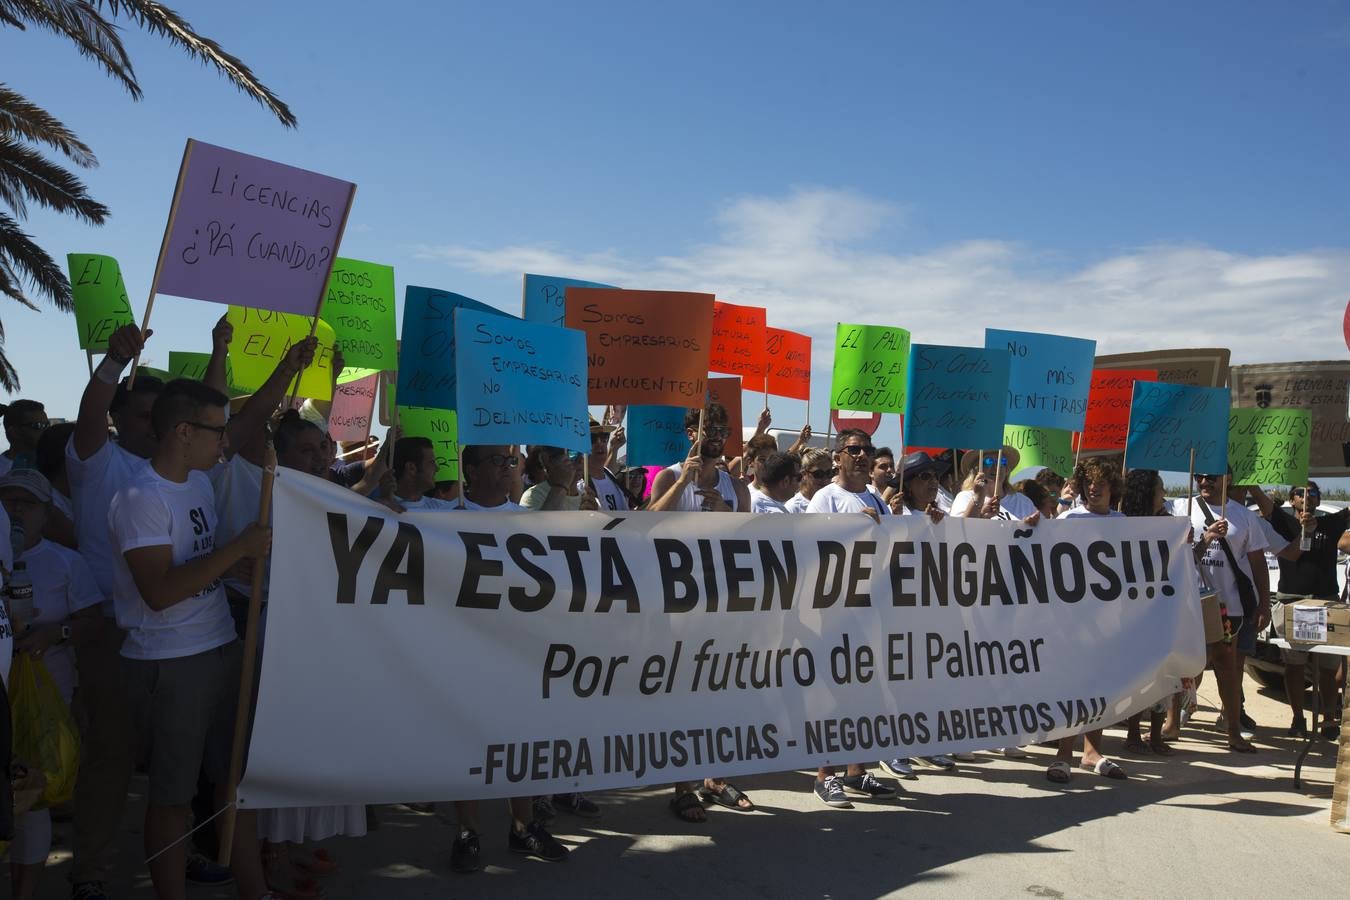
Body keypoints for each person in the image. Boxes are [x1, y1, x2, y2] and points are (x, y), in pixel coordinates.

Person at [108, 377, 276, 899]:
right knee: (173, 798)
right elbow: (158, 591)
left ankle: (256, 890)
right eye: (217, 432)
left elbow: (199, 565)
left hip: (219, 646)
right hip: (171, 662)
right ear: (183, 431)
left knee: (234, 785)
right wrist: (234, 552)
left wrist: (230, 567)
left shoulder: (199, 482)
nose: (225, 442)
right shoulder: (140, 496)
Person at [448, 444, 569, 871]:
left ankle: (524, 827)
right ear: (472, 470)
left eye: (510, 461)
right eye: (497, 462)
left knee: (523, 741)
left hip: (521, 651)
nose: (507, 468)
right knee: (468, 743)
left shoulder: (522, 519)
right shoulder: (446, 519)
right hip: (468, 654)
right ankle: (467, 832)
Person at [648, 404, 759, 820]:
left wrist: (728, 513)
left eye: (721, 428)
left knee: (723, 694)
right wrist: (683, 485)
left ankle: (716, 776)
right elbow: (644, 523)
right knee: (685, 696)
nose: (715, 435)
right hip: (679, 608)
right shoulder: (668, 475)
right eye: (707, 428)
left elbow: (758, 540)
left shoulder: (735, 486)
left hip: (725, 606)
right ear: (689, 431)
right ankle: (683, 786)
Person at [0, 469, 104, 900]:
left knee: (32, 799)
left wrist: (52, 634)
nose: (16, 509)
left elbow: (92, 622)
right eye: (8, 501)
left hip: (47, 699)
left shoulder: (65, 562)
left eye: (27, 502)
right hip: (2, 694)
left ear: (46, 512)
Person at [803, 429, 901, 806]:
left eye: (866, 450)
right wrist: (851, 527)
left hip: (869, 612)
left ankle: (856, 771)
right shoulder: (825, 497)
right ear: (838, 457)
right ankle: (824, 775)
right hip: (833, 614)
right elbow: (810, 545)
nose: (861, 456)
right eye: (853, 449)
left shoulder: (878, 500)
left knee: (866, 693)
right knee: (834, 695)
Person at [1045, 458, 1130, 782]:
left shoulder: (1124, 522)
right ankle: (1063, 754)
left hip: (1110, 620)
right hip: (1072, 620)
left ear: (1113, 488)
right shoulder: (1068, 519)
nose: (1094, 488)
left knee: (1101, 686)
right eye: (1089, 482)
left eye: (1102, 483)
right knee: (1073, 685)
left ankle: (1092, 752)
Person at [1252, 481, 1349, 737]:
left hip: (1324, 601)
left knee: (1327, 668)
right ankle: (1297, 719)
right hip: (1292, 601)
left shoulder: (1331, 523)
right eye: (1300, 493)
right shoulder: (1284, 522)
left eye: (1313, 494)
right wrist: (1249, 483)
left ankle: (1329, 719)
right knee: (1294, 665)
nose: (1306, 497)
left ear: (1318, 500)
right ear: (1291, 499)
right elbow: (1263, 502)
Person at [1181, 469, 1267, 752]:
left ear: (1228, 478)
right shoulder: (1183, 507)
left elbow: (1257, 563)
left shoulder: (1244, 516)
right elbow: (1176, 556)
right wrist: (1204, 539)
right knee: (1183, 667)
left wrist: (1264, 603)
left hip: (1229, 607)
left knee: (1228, 669)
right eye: (1200, 476)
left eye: (1212, 476)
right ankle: (1173, 722)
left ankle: (1232, 729)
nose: (1204, 481)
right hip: (1189, 605)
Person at [1118, 469, 1178, 753]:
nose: (1164, 494)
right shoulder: (1123, 523)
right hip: (1131, 610)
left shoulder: (1169, 524)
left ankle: (1155, 735)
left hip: (1161, 608)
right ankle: (1132, 732)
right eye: (1160, 489)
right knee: (1134, 674)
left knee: (1161, 673)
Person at [950, 447, 1038, 521]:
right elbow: (958, 532)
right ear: (977, 468)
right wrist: (981, 511)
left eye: (1002, 461)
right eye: (989, 461)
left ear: (1007, 469)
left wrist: (1032, 525)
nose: (996, 467)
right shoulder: (965, 497)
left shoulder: (1023, 501)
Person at [0, 399, 48, 474]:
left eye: (47, 425)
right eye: (37, 426)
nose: (45, 430)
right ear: (14, 432)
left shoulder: (53, 466)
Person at [786, 448, 832, 513]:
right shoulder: (793, 508)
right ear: (804, 474)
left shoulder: (834, 501)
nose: (825, 478)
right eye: (818, 474)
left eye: (829, 473)